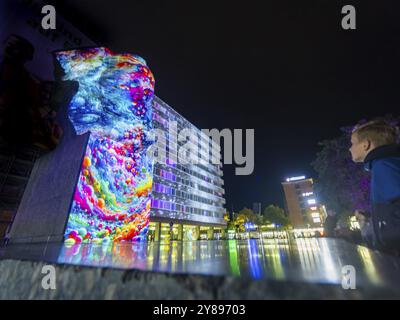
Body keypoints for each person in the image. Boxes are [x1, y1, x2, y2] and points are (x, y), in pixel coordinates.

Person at [349, 120, 400, 255]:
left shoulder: (383, 166)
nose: (350, 148)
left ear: (365, 144)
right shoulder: (387, 163)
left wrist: (389, 244)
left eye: (353, 143)